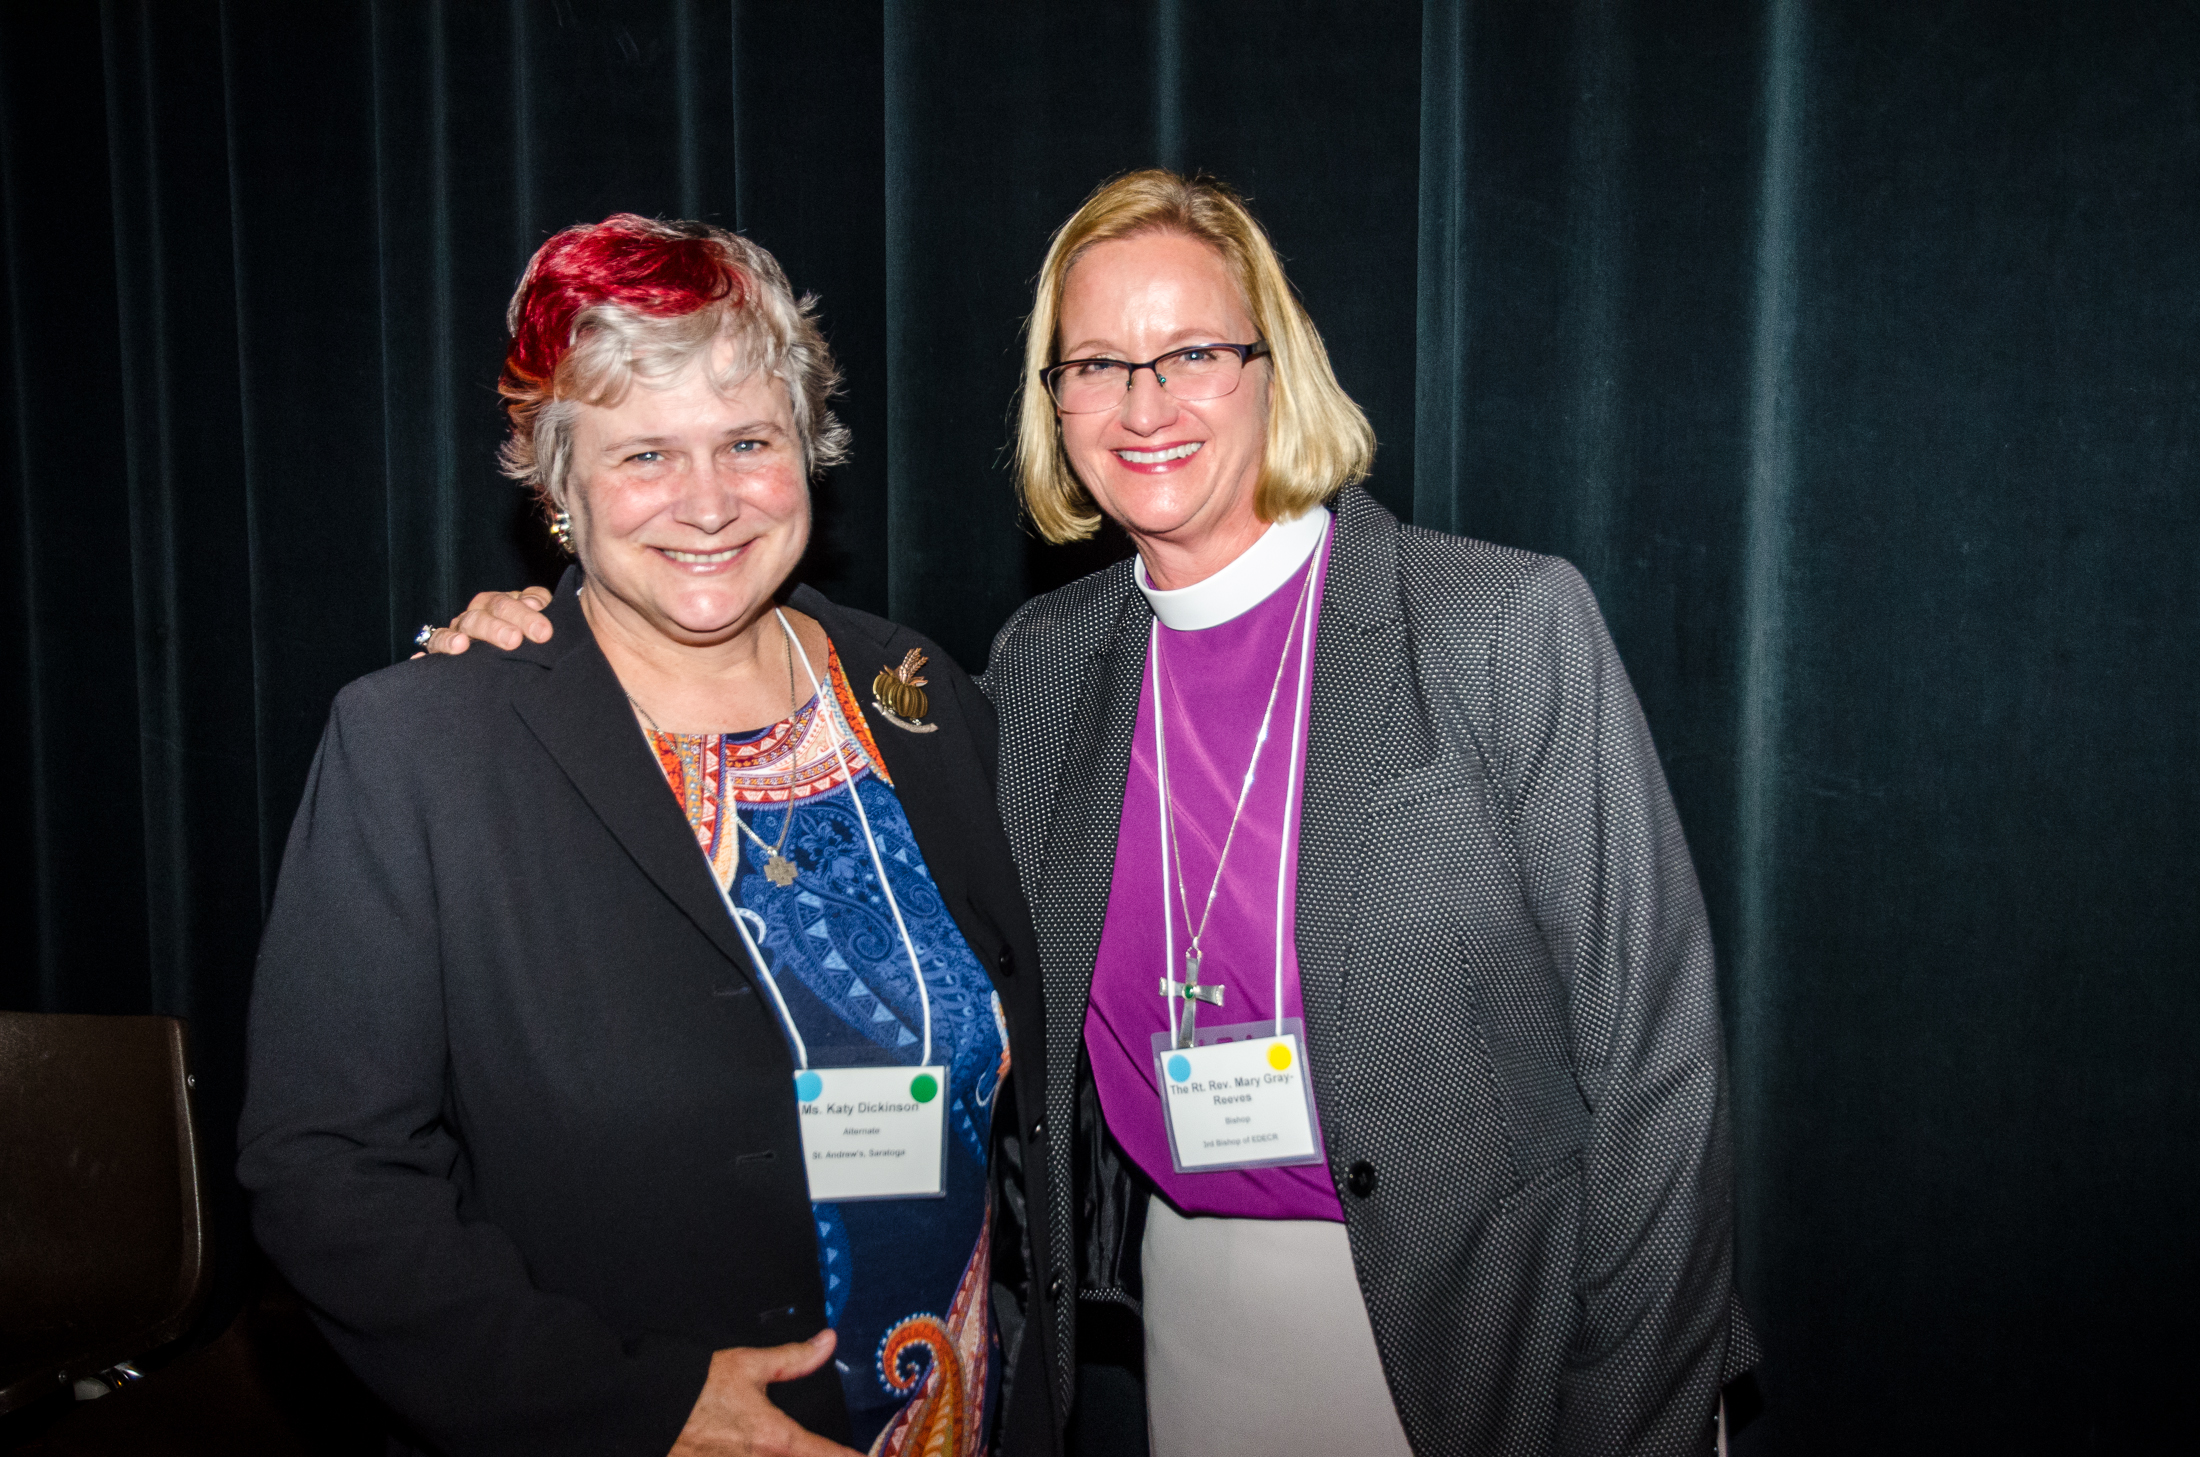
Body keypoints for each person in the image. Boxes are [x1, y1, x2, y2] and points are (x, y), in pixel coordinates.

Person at [436, 172, 1757, 1455]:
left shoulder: (1493, 625)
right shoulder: (1043, 665)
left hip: (1508, 1321)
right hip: (1203, 1316)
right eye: (1097, 365)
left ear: (1277, 366)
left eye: (1194, 353)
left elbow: (1657, 1071)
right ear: (1053, 401)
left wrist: (1632, 1411)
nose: (1144, 403)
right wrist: (550, 631)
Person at [240, 215, 1058, 1457]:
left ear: (808, 449)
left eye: (747, 441)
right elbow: (325, 1169)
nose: (709, 502)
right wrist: (631, 1405)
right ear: (557, 488)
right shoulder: (426, 745)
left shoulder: (917, 693)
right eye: (644, 455)